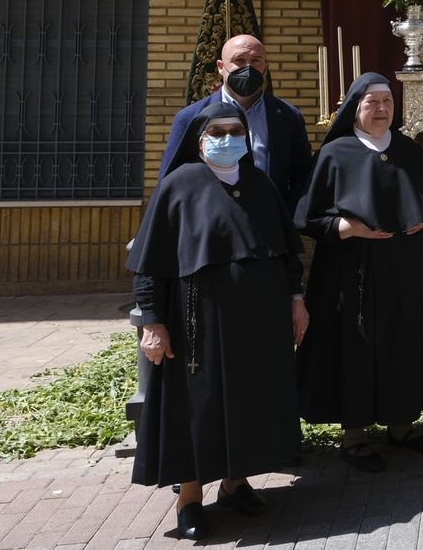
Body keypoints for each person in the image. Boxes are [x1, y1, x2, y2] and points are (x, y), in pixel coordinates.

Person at [128, 100, 307, 541]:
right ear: (200, 140)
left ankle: (235, 484)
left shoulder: (260, 184)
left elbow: (286, 255)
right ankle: (190, 497)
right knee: (199, 407)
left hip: (258, 324)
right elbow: (151, 264)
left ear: (246, 137)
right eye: (217, 133)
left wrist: (296, 300)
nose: (227, 140)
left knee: (249, 400)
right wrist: (152, 321)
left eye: (235, 131)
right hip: (197, 326)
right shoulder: (179, 185)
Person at [294, 74, 423, 472]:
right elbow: (307, 216)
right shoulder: (336, 153)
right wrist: (345, 228)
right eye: (372, 102)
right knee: (355, 345)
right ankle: (354, 435)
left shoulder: (406, 148)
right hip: (352, 270)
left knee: (404, 338)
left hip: (407, 266)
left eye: (387, 101)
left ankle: (402, 425)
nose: (381, 109)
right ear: (355, 107)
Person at [161, 34, 314, 215]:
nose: (248, 68)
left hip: (268, 225)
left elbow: (302, 175)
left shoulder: (288, 116)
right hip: (210, 223)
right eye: (239, 60)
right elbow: (171, 179)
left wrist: (287, 218)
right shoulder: (191, 117)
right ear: (220, 67)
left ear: (265, 66)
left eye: (256, 60)